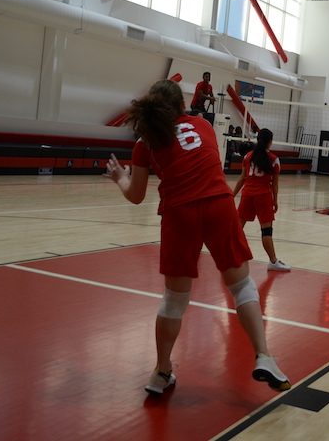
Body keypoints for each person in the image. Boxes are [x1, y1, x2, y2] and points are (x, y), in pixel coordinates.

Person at [104, 79, 290, 395]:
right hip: (218, 204)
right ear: (182, 105)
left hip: (179, 213)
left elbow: (136, 196)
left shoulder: (145, 141)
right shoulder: (202, 124)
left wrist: (120, 178)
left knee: (174, 301)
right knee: (242, 286)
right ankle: (264, 356)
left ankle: (161, 372)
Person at [232, 128, 291, 272]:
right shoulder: (274, 159)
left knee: (238, 228)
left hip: (247, 195)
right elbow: (275, 185)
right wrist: (275, 201)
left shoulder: (247, 156)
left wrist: (231, 196)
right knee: (266, 231)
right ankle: (273, 261)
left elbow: (241, 179)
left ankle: (230, 257)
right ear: (270, 142)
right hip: (263, 197)